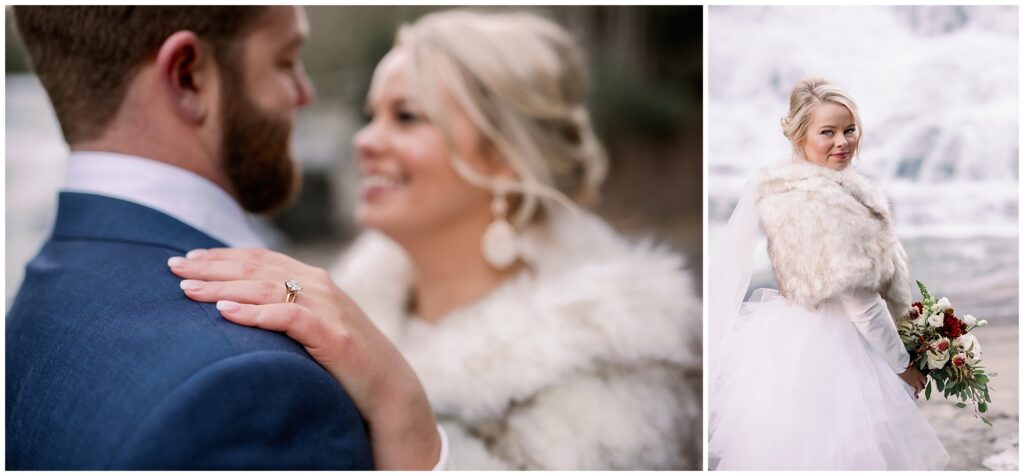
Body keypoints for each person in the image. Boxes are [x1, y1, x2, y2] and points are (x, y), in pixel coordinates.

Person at [168, 9, 701, 470]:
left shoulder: (619, 373)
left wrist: (403, 413)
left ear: (505, 154)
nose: (366, 141)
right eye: (370, 115)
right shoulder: (347, 301)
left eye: (406, 117)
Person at [6, 6, 442, 470]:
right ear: (187, 75)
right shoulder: (255, 386)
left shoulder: (39, 292)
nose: (304, 92)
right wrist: (412, 428)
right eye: (286, 61)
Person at [707, 77, 949, 470]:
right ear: (801, 136)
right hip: (837, 347)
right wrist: (903, 366)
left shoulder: (787, 188)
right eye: (828, 132)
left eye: (849, 130)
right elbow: (861, 303)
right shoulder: (825, 202)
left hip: (789, 334)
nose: (843, 141)